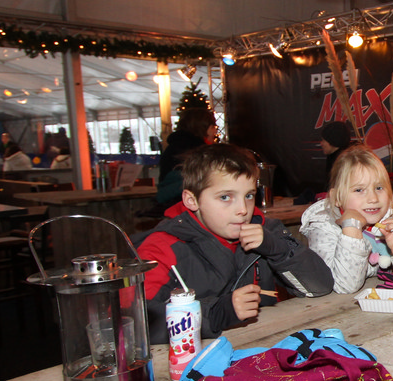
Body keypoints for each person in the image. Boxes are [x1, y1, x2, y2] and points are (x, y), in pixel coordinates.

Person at [134, 144, 333, 345]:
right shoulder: (162, 248)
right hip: (196, 359)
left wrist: (278, 250)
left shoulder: (265, 230)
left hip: (266, 346)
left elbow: (320, 286)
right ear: (192, 200)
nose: (243, 210)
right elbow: (135, 323)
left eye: (249, 195)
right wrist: (216, 313)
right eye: (225, 197)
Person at [300, 145, 393, 294]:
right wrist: (351, 229)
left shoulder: (390, 219)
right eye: (359, 190)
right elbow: (345, 286)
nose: (373, 198)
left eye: (379, 188)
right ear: (337, 197)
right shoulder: (324, 228)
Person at [157, 107, 217, 205]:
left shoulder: (171, 148)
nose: (215, 132)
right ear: (204, 128)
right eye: (213, 127)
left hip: (170, 204)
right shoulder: (202, 152)